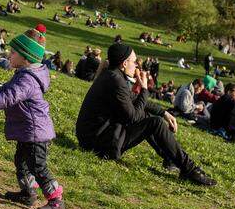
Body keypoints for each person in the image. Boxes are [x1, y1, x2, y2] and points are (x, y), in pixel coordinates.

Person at [75, 43, 216, 186]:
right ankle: (190, 169)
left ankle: (172, 159)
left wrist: (164, 112)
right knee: (154, 122)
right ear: (124, 63)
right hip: (97, 143)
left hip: (92, 137)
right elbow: (133, 117)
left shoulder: (112, 75)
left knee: (149, 116)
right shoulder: (116, 80)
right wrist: (144, 89)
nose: (136, 65)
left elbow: (135, 100)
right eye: (134, 61)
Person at [0, 28, 65, 209]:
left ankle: (56, 199)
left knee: (37, 166)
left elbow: (10, 96)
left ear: (26, 57)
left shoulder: (28, 80)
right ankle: (28, 192)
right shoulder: (24, 73)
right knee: (21, 161)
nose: (9, 55)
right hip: (27, 130)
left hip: (36, 132)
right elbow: (6, 88)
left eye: (13, 52)